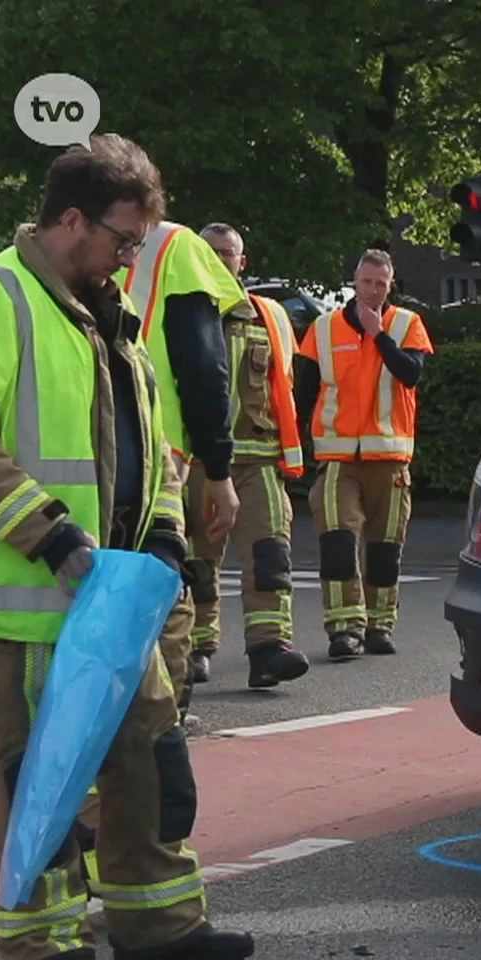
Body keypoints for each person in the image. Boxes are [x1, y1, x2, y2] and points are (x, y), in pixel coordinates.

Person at [0, 134, 255, 960]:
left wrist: (163, 533)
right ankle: (43, 945)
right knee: (34, 779)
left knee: (148, 761)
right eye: (122, 240)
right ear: (71, 220)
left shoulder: (109, 315)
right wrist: (52, 538)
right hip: (20, 602)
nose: (131, 258)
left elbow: (149, 447)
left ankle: (157, 922)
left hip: (107, 599)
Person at [115, 214, 249, 703]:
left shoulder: (48, 245)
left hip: (66, 451)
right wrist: (219, 469)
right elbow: (204, 369)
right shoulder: (176, 247)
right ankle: (160, 719)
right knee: (162, 589)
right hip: (154, 450)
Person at [186, 223, 311, 687]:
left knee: (270, 551)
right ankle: (197, 646)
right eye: (212, 252)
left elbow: (291, 384)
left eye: (229, 254)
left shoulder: (270, 317)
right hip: (197, 461)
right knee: (198, 557)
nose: (222, 261)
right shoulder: (182, 312)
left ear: (243, 261)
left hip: (259, 458)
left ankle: (268, 649)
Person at [299, 249, 433, 660]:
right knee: (338, 542)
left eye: (381, 283)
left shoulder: (408, 324)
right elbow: (303, 396)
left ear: (391, 285)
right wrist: (293, 452)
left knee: (385, 547)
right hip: (338, 458)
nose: (373, 290)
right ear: (354, 283)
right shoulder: (322, 330)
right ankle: (344, 628)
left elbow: (410, 373)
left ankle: (379, 626)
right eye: (366, 282)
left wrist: (379, 335)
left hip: (390, 459)